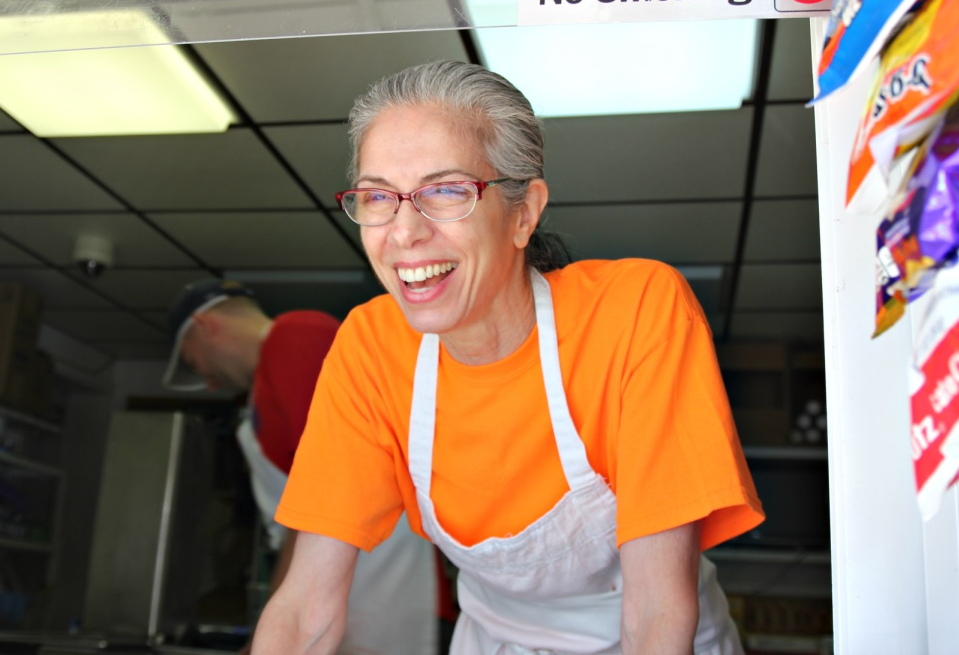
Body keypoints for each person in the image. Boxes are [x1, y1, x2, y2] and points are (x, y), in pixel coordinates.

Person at [253, 61, 766, 654]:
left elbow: (655, 611)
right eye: (377, 197)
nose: (404, 232)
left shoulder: (634, 313)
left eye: (446, 191)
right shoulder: (371, 347)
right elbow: (305, 608)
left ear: (523, 214)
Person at [162, 280, 440, 655]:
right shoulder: (264, 382)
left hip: (369, 574)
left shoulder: (295, 336)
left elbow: (322, 494)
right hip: (338, 575)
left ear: (204, 326)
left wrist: (274, 627)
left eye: (194, 363)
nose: (210, 384)